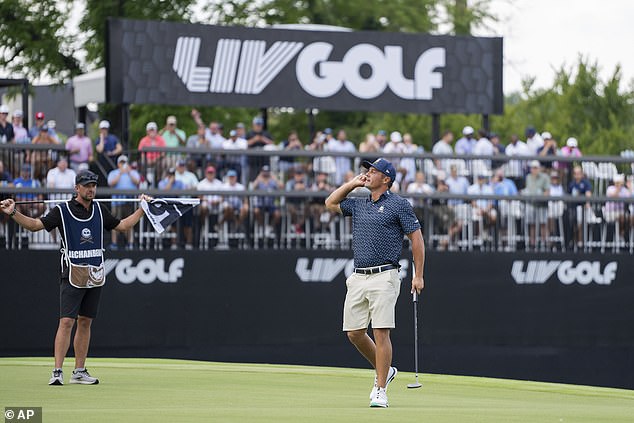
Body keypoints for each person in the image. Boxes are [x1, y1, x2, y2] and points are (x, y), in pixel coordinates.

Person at [0, 170, 152, 385]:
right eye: (86, 185)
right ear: (76, 188)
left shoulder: (100, 209)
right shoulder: (62, 210)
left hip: (95, 273)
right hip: (72, 272)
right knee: (66, 322)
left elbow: (123, 226)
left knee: (85, 322)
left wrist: (142, 209)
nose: (91, 189)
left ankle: (79, 371)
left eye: (93, 185)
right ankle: (57, 371)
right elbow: (35, 226)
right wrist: (14, 211)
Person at [324, 157, 425, 408]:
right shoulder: (359, 204)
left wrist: (418, 274)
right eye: (366, 170)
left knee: (381, 332)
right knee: (355, 334)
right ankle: (386, 370)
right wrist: (352, 184)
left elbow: (417, 239)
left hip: (385, 275)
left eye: (373, 171)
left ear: (386, 179)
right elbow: (330, 203)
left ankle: (380, 388)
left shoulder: (399, 205)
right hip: (358, 276)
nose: (367, 174)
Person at [107, 155, 141, 249]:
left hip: (129, 202)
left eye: (124, 162)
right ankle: (114, 243)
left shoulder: (133, 172)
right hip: (117, 202)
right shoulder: (114, 173)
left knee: (130, 222)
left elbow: (137, 182)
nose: (123, 164)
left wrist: (129, 172)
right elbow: (111, 183)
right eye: (121, 162)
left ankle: (130, 243)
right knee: (115, 223)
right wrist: (120, 173)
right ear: (118, 164)